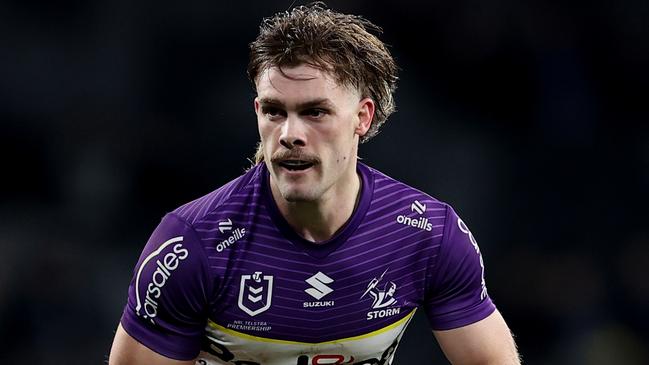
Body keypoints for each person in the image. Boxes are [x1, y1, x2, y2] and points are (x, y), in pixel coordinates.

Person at [109, 3, 521, 364]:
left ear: (363, 117)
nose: (289, 133)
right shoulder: (191, 245)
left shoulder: (427, 234)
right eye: (274, 111)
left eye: (315, 112)